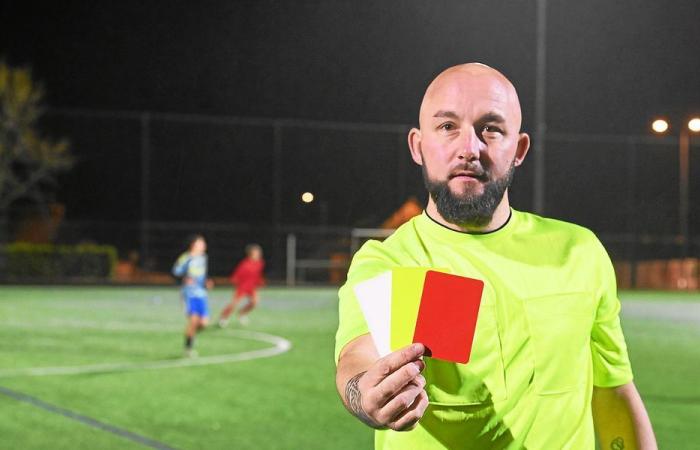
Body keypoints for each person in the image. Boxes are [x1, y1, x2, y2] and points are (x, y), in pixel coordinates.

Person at [334, 63, 657, 449]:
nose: (469, 148)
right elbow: (358, 359)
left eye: (491, 128)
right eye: (447, 126)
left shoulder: (578, 251)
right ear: (418, 146)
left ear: (518, 149)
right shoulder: (393, 263)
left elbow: (613, 390)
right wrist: (367, 394)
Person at [172, 234, 213, 357]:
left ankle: (190, 334)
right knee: (194, 320)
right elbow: (176, 271)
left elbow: (202, 275)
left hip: (201, 294)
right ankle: (188, 348)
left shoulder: (203, 257)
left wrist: (207, 281)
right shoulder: (186, 258)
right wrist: (184, 278)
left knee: (204, 323)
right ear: (193, 245)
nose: (204, 245)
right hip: (189, 294)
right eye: (201, 243)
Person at [218, 244, 265, 327]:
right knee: (234, 304)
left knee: (254, 303)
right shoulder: (244, 264)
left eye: (259, 253)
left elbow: (258, 275)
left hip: (251, 287)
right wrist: (234, 280)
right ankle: (223, 317)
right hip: (242, 287)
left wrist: (260, 281)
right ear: (250, 254)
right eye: (256, 253)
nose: (258, 254)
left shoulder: (260, 263)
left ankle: (242, 313)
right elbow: (237, 275)